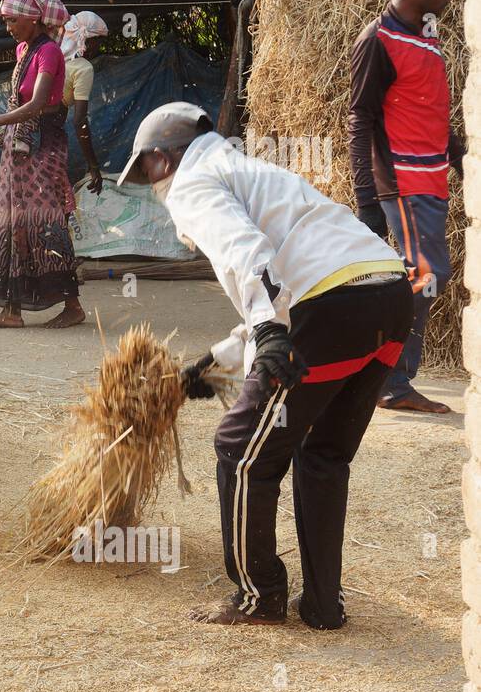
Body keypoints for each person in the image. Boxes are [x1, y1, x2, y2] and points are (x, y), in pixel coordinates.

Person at [118, 102, 411, 630]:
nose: (153, 185)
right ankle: (324, 607)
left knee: (239, 449)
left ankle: (260, 596)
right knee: (320, 452)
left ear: (164, 158)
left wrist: (272, 334)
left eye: (148, 172)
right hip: (388, 296)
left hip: (334, 306)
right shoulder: (250, 170)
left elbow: (244, 250)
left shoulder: (192, 182)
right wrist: (213, 367)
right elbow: (288, 281)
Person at [349, 0, 463, 414]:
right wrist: (366, 200)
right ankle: (393, 383)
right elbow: (360, 119)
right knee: (428, 275)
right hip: (404, 181)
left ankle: (376, 370)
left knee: (412, 276)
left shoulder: (425, 35)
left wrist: (463, 162)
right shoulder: (377, 41)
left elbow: (433, 111)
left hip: (431, 179)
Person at [0, 0, 84, 330]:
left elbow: (39, 104)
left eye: (12, 20)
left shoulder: (49, 53)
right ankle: (11, 311)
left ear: (32, 19)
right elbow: (21, 104)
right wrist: (6, 132)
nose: (8, 28)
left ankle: (72, 306)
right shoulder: (23, 50)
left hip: (45, 146)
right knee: (12, 222)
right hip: (22, 146)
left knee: (44, 220)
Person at [60, 10, 108, 196]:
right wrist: (93, 166)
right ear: (87, 39)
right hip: (49, 135)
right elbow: (79, 120)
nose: (99, 47)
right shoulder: (83, 68)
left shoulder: (55, 58)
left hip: (28, 134)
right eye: (98, 41)